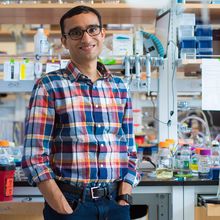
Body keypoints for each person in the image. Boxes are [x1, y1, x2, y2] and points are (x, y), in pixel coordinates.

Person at [22, 5, 140, 220]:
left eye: (92, 29)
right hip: (71, 204)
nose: (86, 38)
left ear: (102, 34)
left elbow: (130, 150)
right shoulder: (49, 86)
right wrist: (63, 208)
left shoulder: (120, 87)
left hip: (115, 203)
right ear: (65, 41)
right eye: (76, 32)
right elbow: (34, 157)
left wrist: (124, 196)